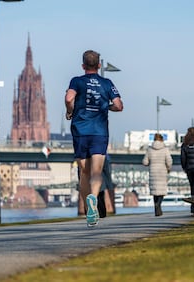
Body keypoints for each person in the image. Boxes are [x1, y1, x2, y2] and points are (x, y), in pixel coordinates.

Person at [65, 50, 123, 227]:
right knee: (97, 172)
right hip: (99, 132)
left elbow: (69, 98)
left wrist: (70, 111)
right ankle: (93, 199)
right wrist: (106, 106)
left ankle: (89, 208)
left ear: (83, 66)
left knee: (84, 172)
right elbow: (119, 106)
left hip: (80, 131)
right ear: (99, 65)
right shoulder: (107, 83)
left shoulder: (77, 81)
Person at [142, 133, 173, 216]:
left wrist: (149, 163)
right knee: (161, 191)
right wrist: (169, 168)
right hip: (162, 171)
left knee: (155, 191)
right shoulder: (165, 149)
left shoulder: (149, 149)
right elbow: (169, 161)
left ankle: (156, 206)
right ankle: (158, 204)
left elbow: (145, 162)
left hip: (153, 171)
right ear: (162, 139)